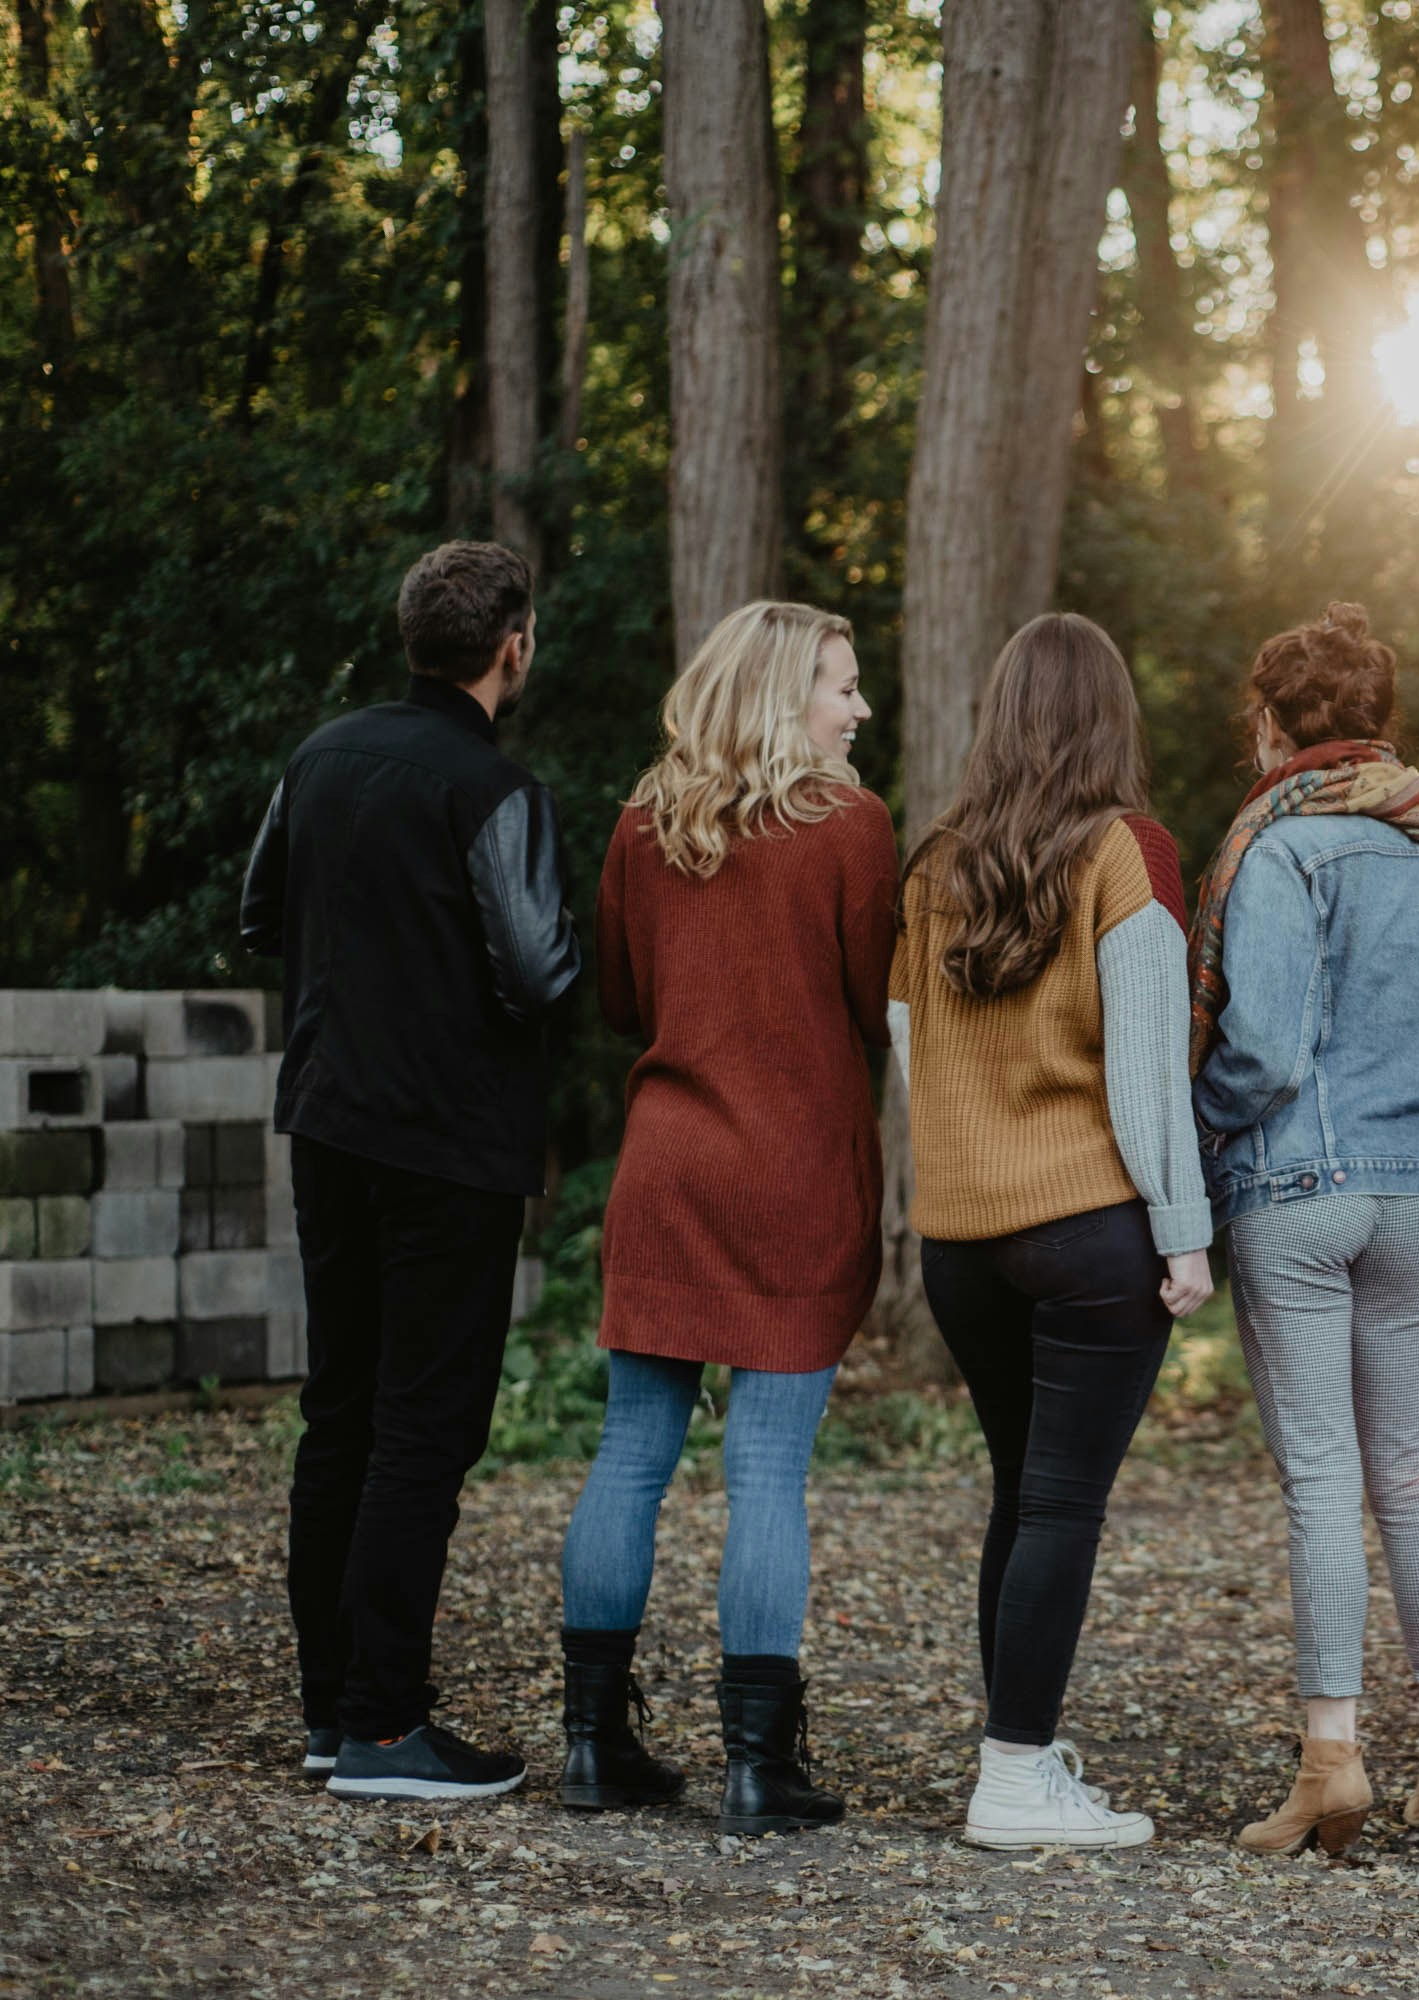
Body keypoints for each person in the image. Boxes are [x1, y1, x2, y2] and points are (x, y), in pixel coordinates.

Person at [240, 540, 579, 1801]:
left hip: (328, 1120)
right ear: (513, 644)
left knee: (342, 1411)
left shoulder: (318, 756)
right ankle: (387, 1728)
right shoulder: (495, 789)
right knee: (423, 1428)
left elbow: (258, 910)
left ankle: (332, 1713)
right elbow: (539, 969)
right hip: (445, 1140)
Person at [553, 602, 894, 1837]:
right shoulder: (850, 826)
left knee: (630, 1455)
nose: (858, 709)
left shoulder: (646, 825)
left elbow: (625, 994)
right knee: (764, 1471)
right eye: (840, 687)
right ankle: (758, 1766)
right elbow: (872, 1004)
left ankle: (593, 1745)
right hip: (790, 1178)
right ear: (777, 695)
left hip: (665, 1168)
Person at [1192, 603, 1419, 1856]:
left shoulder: (1277, 849)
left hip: (1296, 1186)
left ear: (1272, 726)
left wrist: (1209, 1117)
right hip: (1408, 1189)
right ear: (1377, 724)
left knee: (1323, 1478)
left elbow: (1260, 1046)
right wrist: (1401, 1120)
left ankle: (1332, 1757)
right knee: (1408, 1469)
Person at [894, 611, 1214, 1852]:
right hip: (1085, 1234)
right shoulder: (1125, 853)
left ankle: (1010, 1756)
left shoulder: (934, 866)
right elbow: (1145, 1078)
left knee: (1020, 1496)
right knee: (1062, 1504)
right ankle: (1016, 1779)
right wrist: (1182, 1235)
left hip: (961, 1243)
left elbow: (910, 1050)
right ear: (1109, 719)